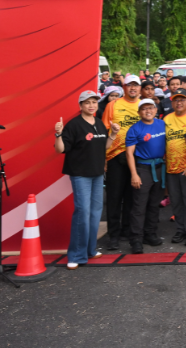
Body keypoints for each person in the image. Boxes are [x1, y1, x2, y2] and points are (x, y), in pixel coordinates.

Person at [54, 90, 109, 269]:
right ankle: (76, 255)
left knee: (95, 213)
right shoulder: (74, 125)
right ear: (80, 106)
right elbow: (60, 150)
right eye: (87, 103)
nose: (92, 105)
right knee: (82, 213)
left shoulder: (99, 123)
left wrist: (114, 135)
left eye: (94, 102)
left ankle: (90, 250)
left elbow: (103, 146)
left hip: (97, 173)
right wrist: (58, 135)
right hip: (80, 175)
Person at [101, 74, 142, 249]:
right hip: (115, 156)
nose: (132, 88)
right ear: (123, 87)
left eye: (135, 85)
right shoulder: (113, 105)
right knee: (114, 198)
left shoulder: (145, 105)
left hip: (138, 157)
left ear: (139, 88)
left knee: (132, 197)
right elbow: (103, 131)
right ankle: (114, 235)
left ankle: (127, 230)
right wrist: (103, 158)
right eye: (129, 85)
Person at [125, 99, 168, 254]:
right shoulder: (134, 129)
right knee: (139, 205)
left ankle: (150, 233)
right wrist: (134, 174)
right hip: (142, 168)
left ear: (156, 110)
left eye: (151, 108)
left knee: (154, 203)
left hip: (159, 167)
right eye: (144, 109)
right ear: (139, 112)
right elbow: (129, 153)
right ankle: (136, 239)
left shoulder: (162, 124)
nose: (148, 111)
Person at [164, 89, 186, 246]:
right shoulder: (166, 119)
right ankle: (180, 230)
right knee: (176, 201)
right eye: (176, 100)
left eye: (182, 100)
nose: (179, 103)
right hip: (171, 167)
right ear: (172, 103)